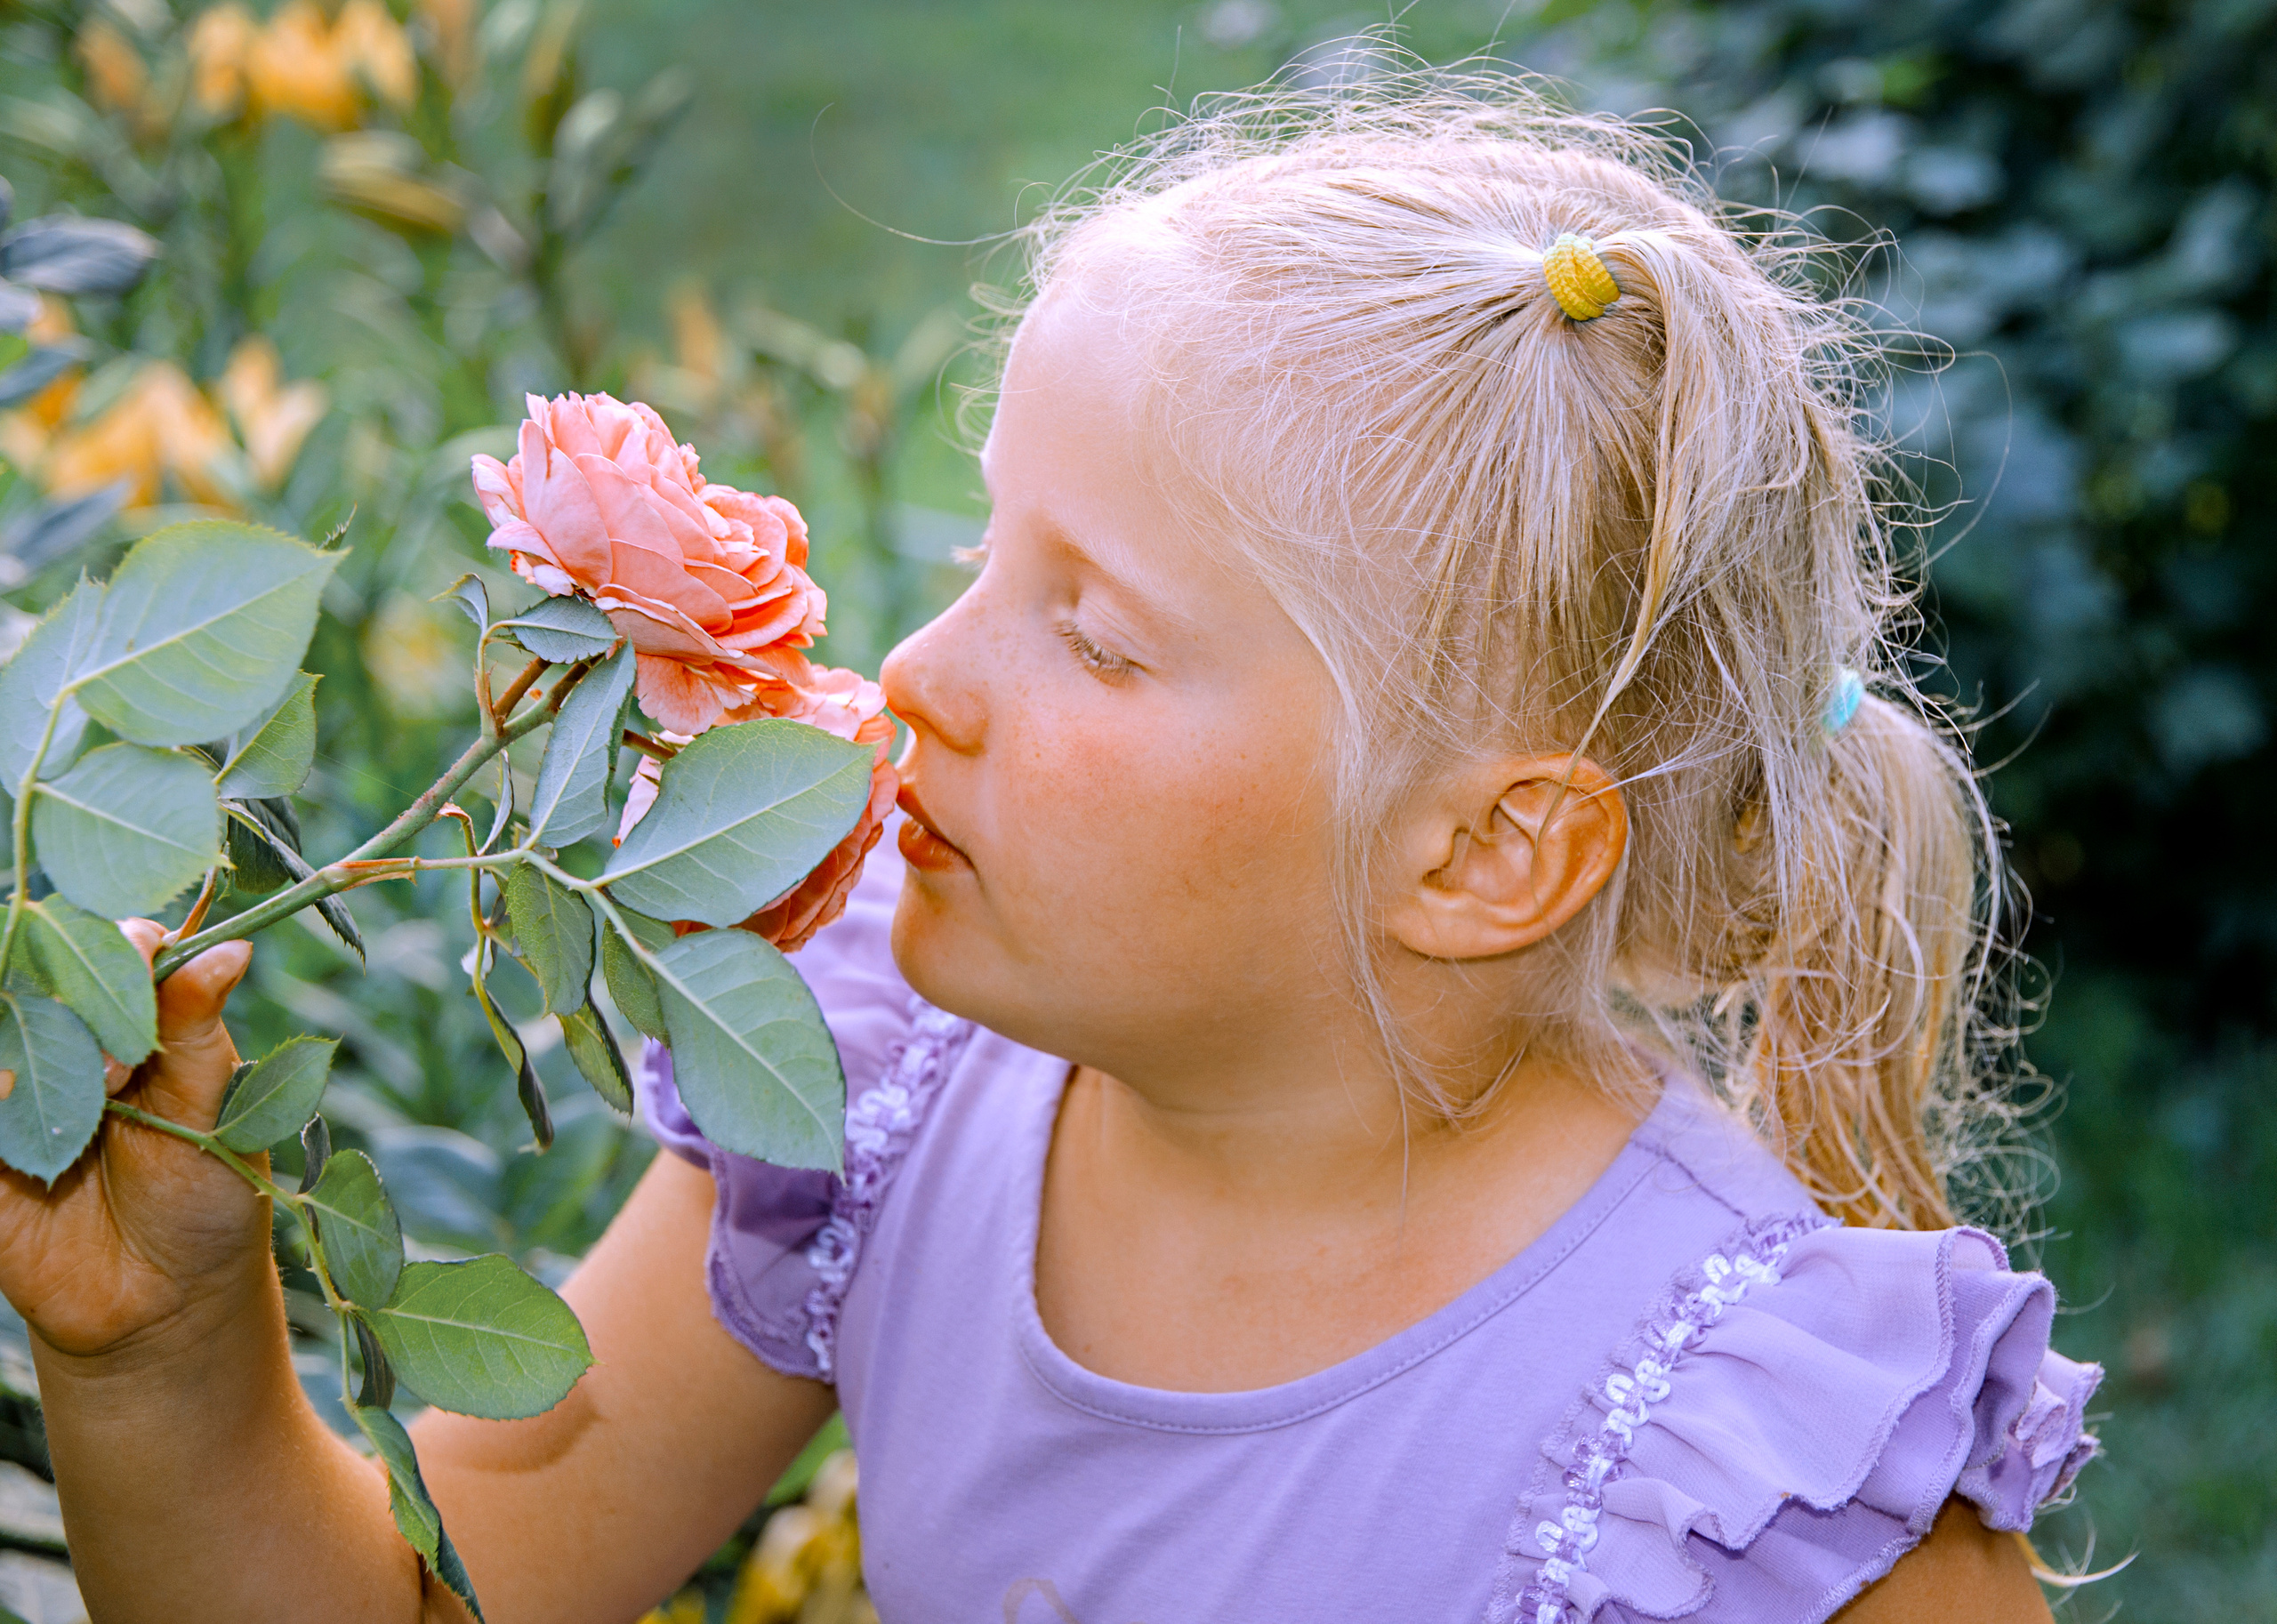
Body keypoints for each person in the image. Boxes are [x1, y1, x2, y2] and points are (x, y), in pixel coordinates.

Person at [0, 66, 2100, 1624]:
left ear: (1474, 856)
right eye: (977, 551)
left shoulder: (1758, 1495)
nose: (916, 673)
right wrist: (160, 1354)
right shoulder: (896, 1091)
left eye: (1091, 634)